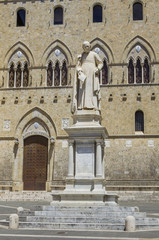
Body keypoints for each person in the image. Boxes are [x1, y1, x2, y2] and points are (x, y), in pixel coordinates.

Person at [72, 41, 103, 113]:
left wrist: (98, 69)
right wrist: (79, 70)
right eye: (86, 46)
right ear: (83, 47)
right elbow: (78, 65)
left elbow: (100, 63)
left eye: (89, 46)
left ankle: (93, 105)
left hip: (92, 74)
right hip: (84, 75)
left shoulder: (94, 54)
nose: (88, 47)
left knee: (91, 89)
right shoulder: (81, 55)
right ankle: (82, 106)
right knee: (82, 90)